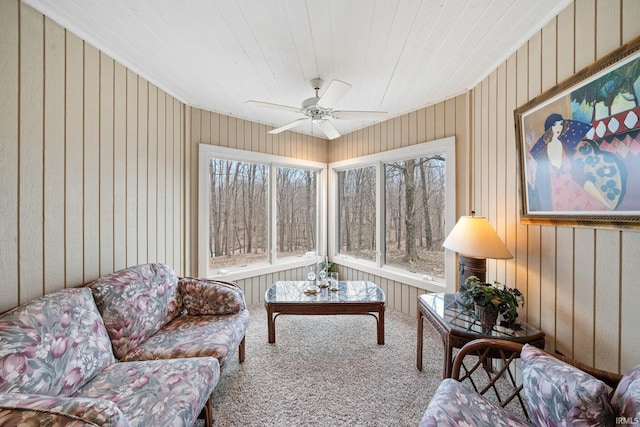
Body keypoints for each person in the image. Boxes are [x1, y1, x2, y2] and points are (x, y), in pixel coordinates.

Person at [528, 113, 625, 212]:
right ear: (549, 129)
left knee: (597, 208)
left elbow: (574, 171)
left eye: (561, 124)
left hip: (573, 190)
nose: (558, 127)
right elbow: (541, 182)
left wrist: (594, 191)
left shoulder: (563, 146)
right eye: (554, 125)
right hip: (556, 198)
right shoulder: (543, 153)